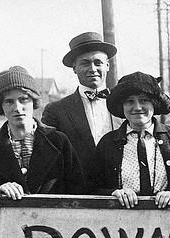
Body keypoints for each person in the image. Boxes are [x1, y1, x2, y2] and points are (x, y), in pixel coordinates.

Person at [0, 66, 86, 223]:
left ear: (34, 101)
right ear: (1, 107)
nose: (17, 108)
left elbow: (79, 191)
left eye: (23, 99)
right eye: (9, 101)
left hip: (55, 235)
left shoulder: (58, 142)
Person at [89, 72, 170, 209]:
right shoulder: (108, 143)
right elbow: (91, 187)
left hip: (169, 220)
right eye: (130, 101)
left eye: (144, 100)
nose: (137, 107)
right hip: (120, 223)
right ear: (122, 106)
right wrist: (113, 193)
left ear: (154, 104)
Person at [41, 32, 121, 176]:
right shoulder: (56, 111)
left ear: (107, 66)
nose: (92, 69)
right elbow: (48, 159)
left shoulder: (124, 104)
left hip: (123, 192)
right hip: (77, 193)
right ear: (74, 68)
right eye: (85, 63)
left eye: (98, 63)